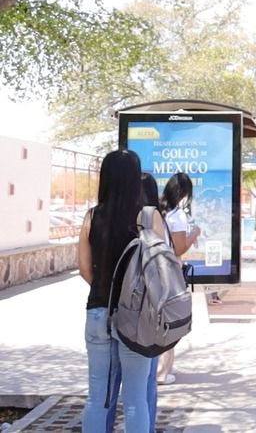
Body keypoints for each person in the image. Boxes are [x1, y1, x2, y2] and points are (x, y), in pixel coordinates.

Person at [78, 149, 165, 433]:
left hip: (98, 312)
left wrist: (107, 291)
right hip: (137, 319)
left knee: (97, 396)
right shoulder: (149, 217)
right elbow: (161, 270)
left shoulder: (92, 216)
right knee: (135, 399)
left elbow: (83, 269)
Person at [105, 173, 163, 433]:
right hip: (142, 315)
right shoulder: (153, 220)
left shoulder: (102, 217)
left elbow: (87, 269)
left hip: (105, 309)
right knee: (141, 391)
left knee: (103, 391)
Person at [155, 172, 200, 386]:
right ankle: (163, 372)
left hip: (151, 269)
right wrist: (195, 233)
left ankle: (153, 370)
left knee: (152, 321)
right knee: (170, 322)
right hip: (170, 273)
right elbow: (179, 248)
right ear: (184, 194)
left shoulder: (156, 210)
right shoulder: (177, 215)